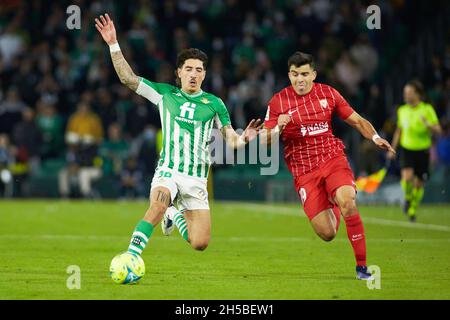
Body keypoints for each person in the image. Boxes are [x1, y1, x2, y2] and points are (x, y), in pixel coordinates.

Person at [95, 14, 261, 257]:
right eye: (189, 69)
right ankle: (131, 256)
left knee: (199, 243)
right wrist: (113, 44)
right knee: (158, 205)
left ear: (204, 75)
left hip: (196, 179)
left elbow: (230, 139)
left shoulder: (215, 103)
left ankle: (174, 214)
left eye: (199, 70)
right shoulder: (165, 94)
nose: (194, 74)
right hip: (168, 171)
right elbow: (128, 79)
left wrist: (244, 137)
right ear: (179, 73)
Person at [261, 52, 395, 280]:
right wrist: (278, 128)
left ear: (313, 74)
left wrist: (375, 138)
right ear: (289, 75)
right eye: (295, 74)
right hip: (303, 170)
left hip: (332, 158)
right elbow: (264, 141)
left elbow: (357, 120)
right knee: (327, 233)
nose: (300, 79)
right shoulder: (278, 101)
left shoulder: (328, 93)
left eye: (304, 74)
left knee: (349, 202)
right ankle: (333, 200)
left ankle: (362, 268)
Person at [387, 80, 442, 221]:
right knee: (406, 178)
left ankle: (412, 208)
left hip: (423, 150)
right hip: (407, 149)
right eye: (405, 93)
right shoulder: (402, 110)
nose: (406, 95)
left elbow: (438, 130)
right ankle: (407, 198)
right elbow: (399, 131)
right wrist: (392, 147)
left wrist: (428, 124)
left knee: (418, 183)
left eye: (409, 93)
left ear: (417, 94)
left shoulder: (427, 109)